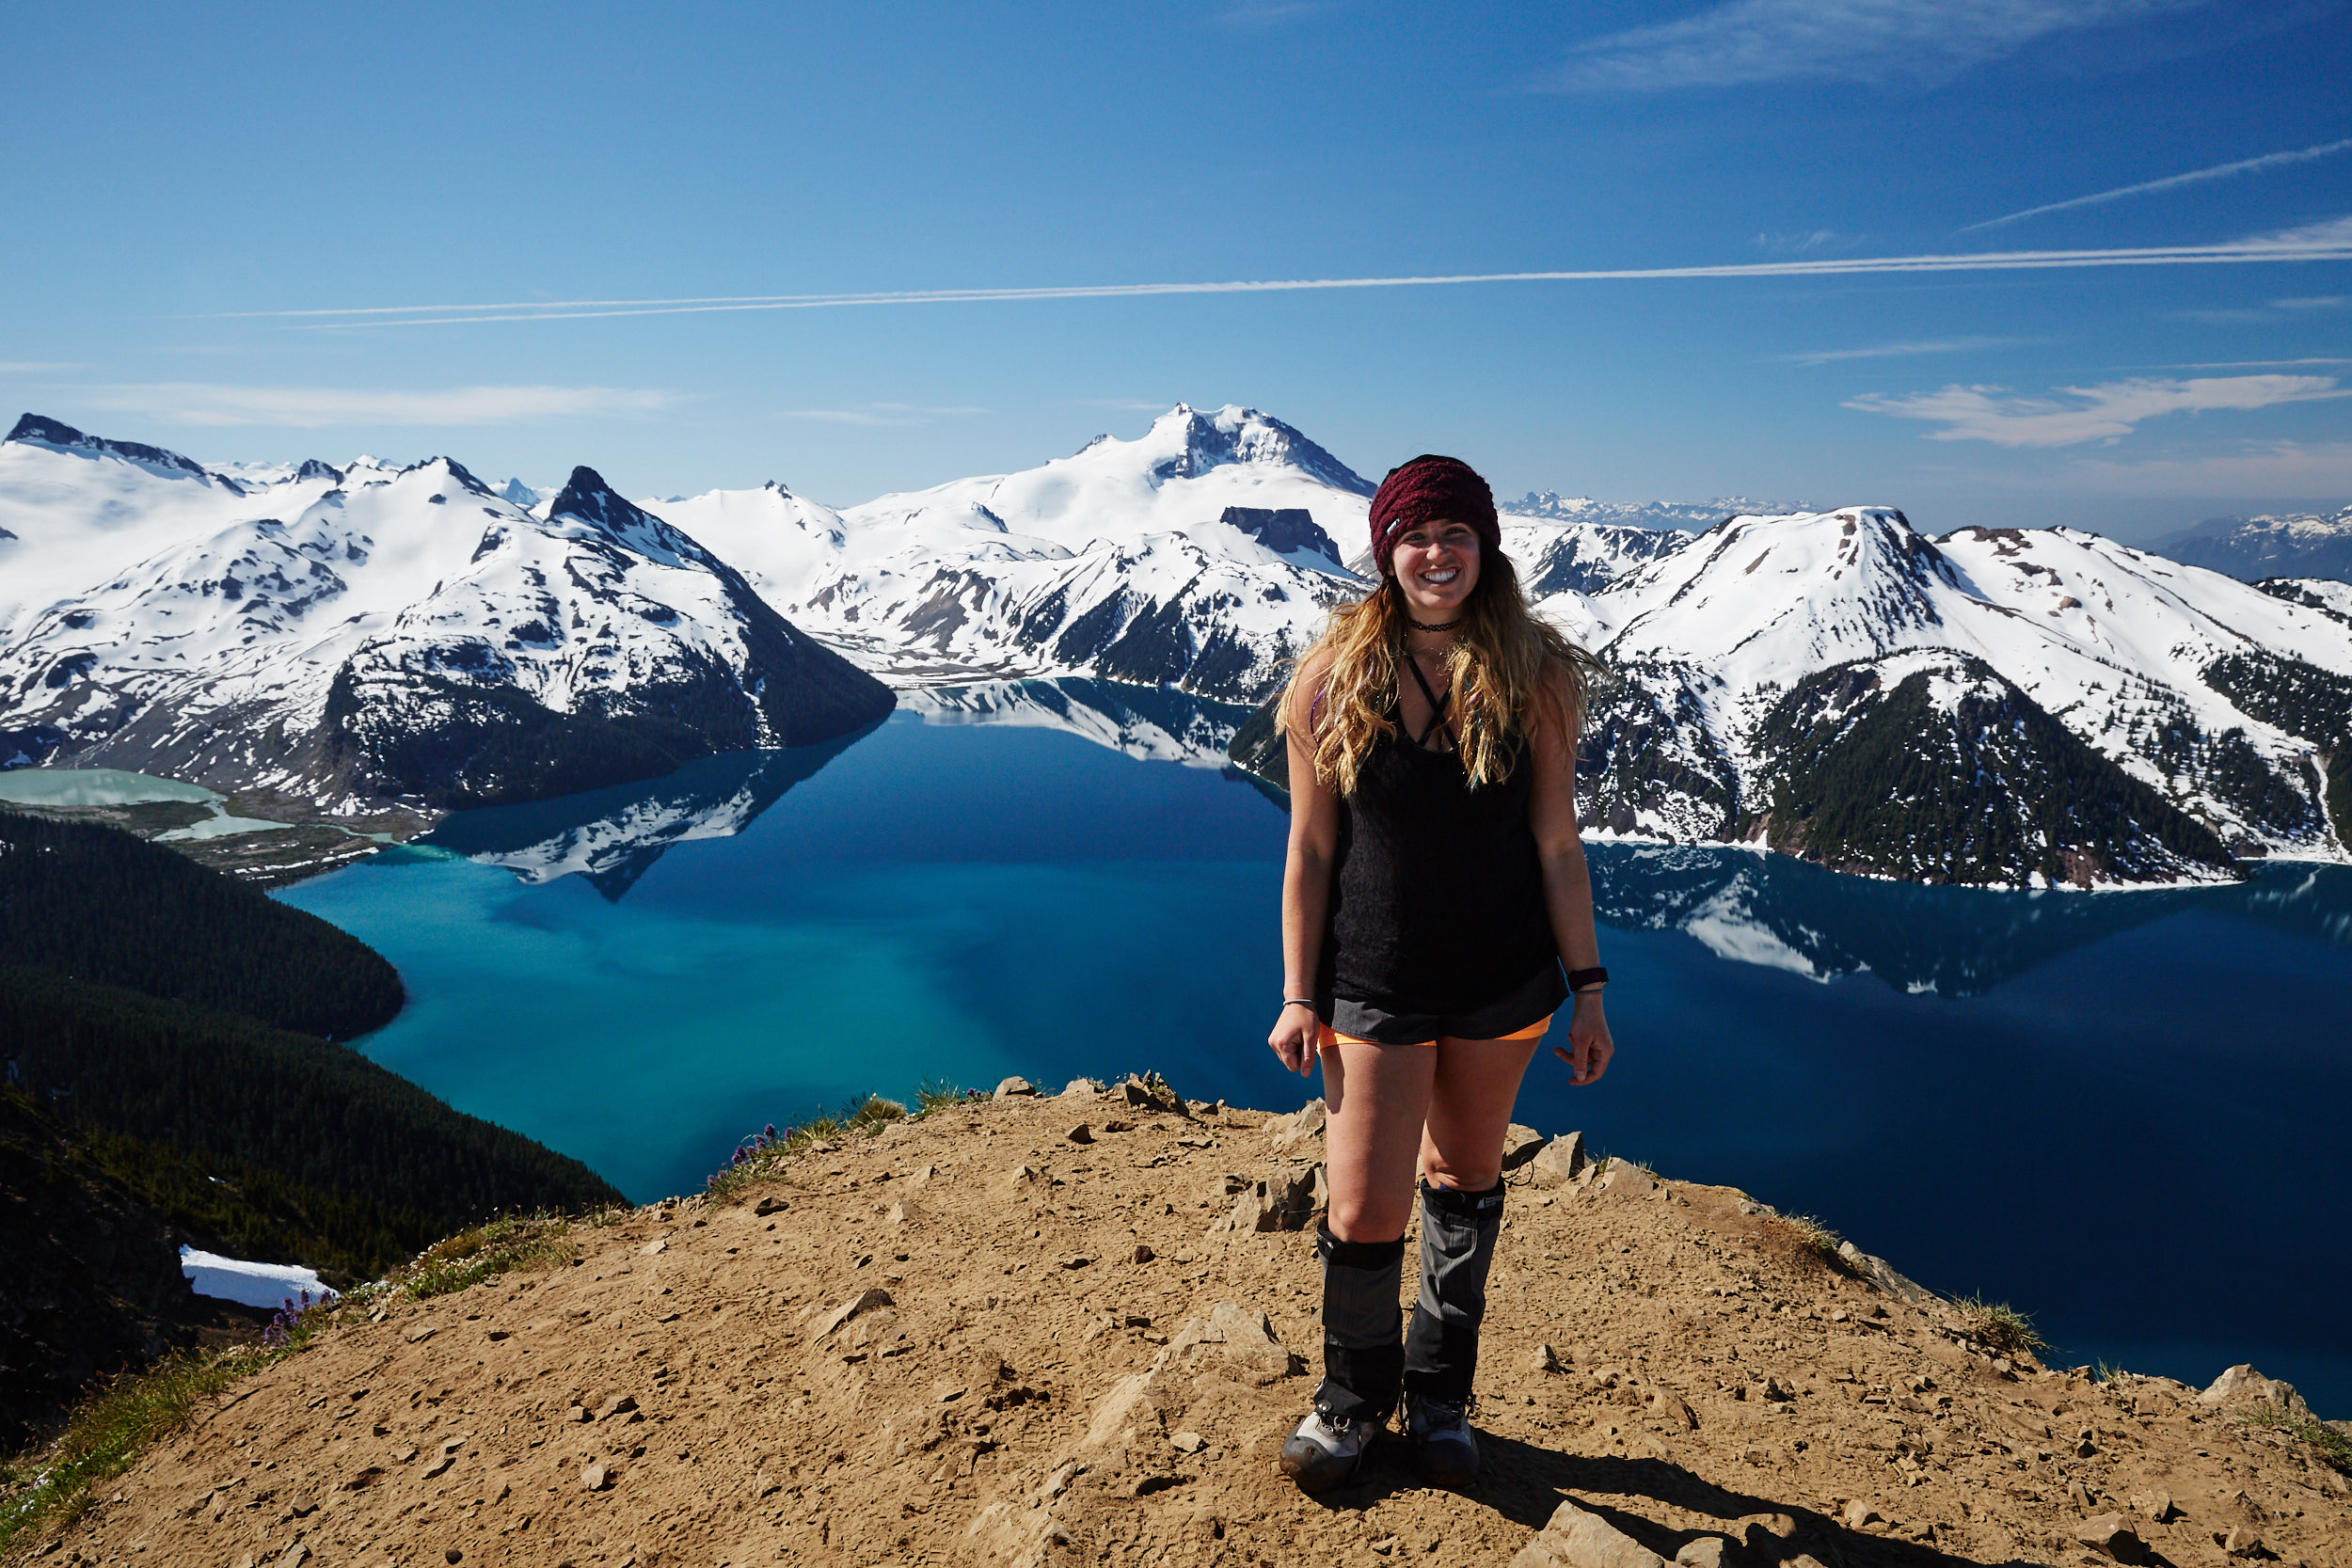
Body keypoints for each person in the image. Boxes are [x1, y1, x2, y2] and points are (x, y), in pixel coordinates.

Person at [1265, 453, 1615, 1492]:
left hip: (1503, 983)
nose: (1435, 552)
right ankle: (1349, 1399)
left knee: (1464, 1183)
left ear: (1485, 545)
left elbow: (1556, 844)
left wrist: (1587, 982)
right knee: (1364, 1210)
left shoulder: (1535, 672)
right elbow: (1311, 850)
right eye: (1415, 535)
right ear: (1387, 551)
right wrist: (1297, 991)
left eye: (1454, 533)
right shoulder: (1331, 676)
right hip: (1371, 978)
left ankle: (1440, 1397)